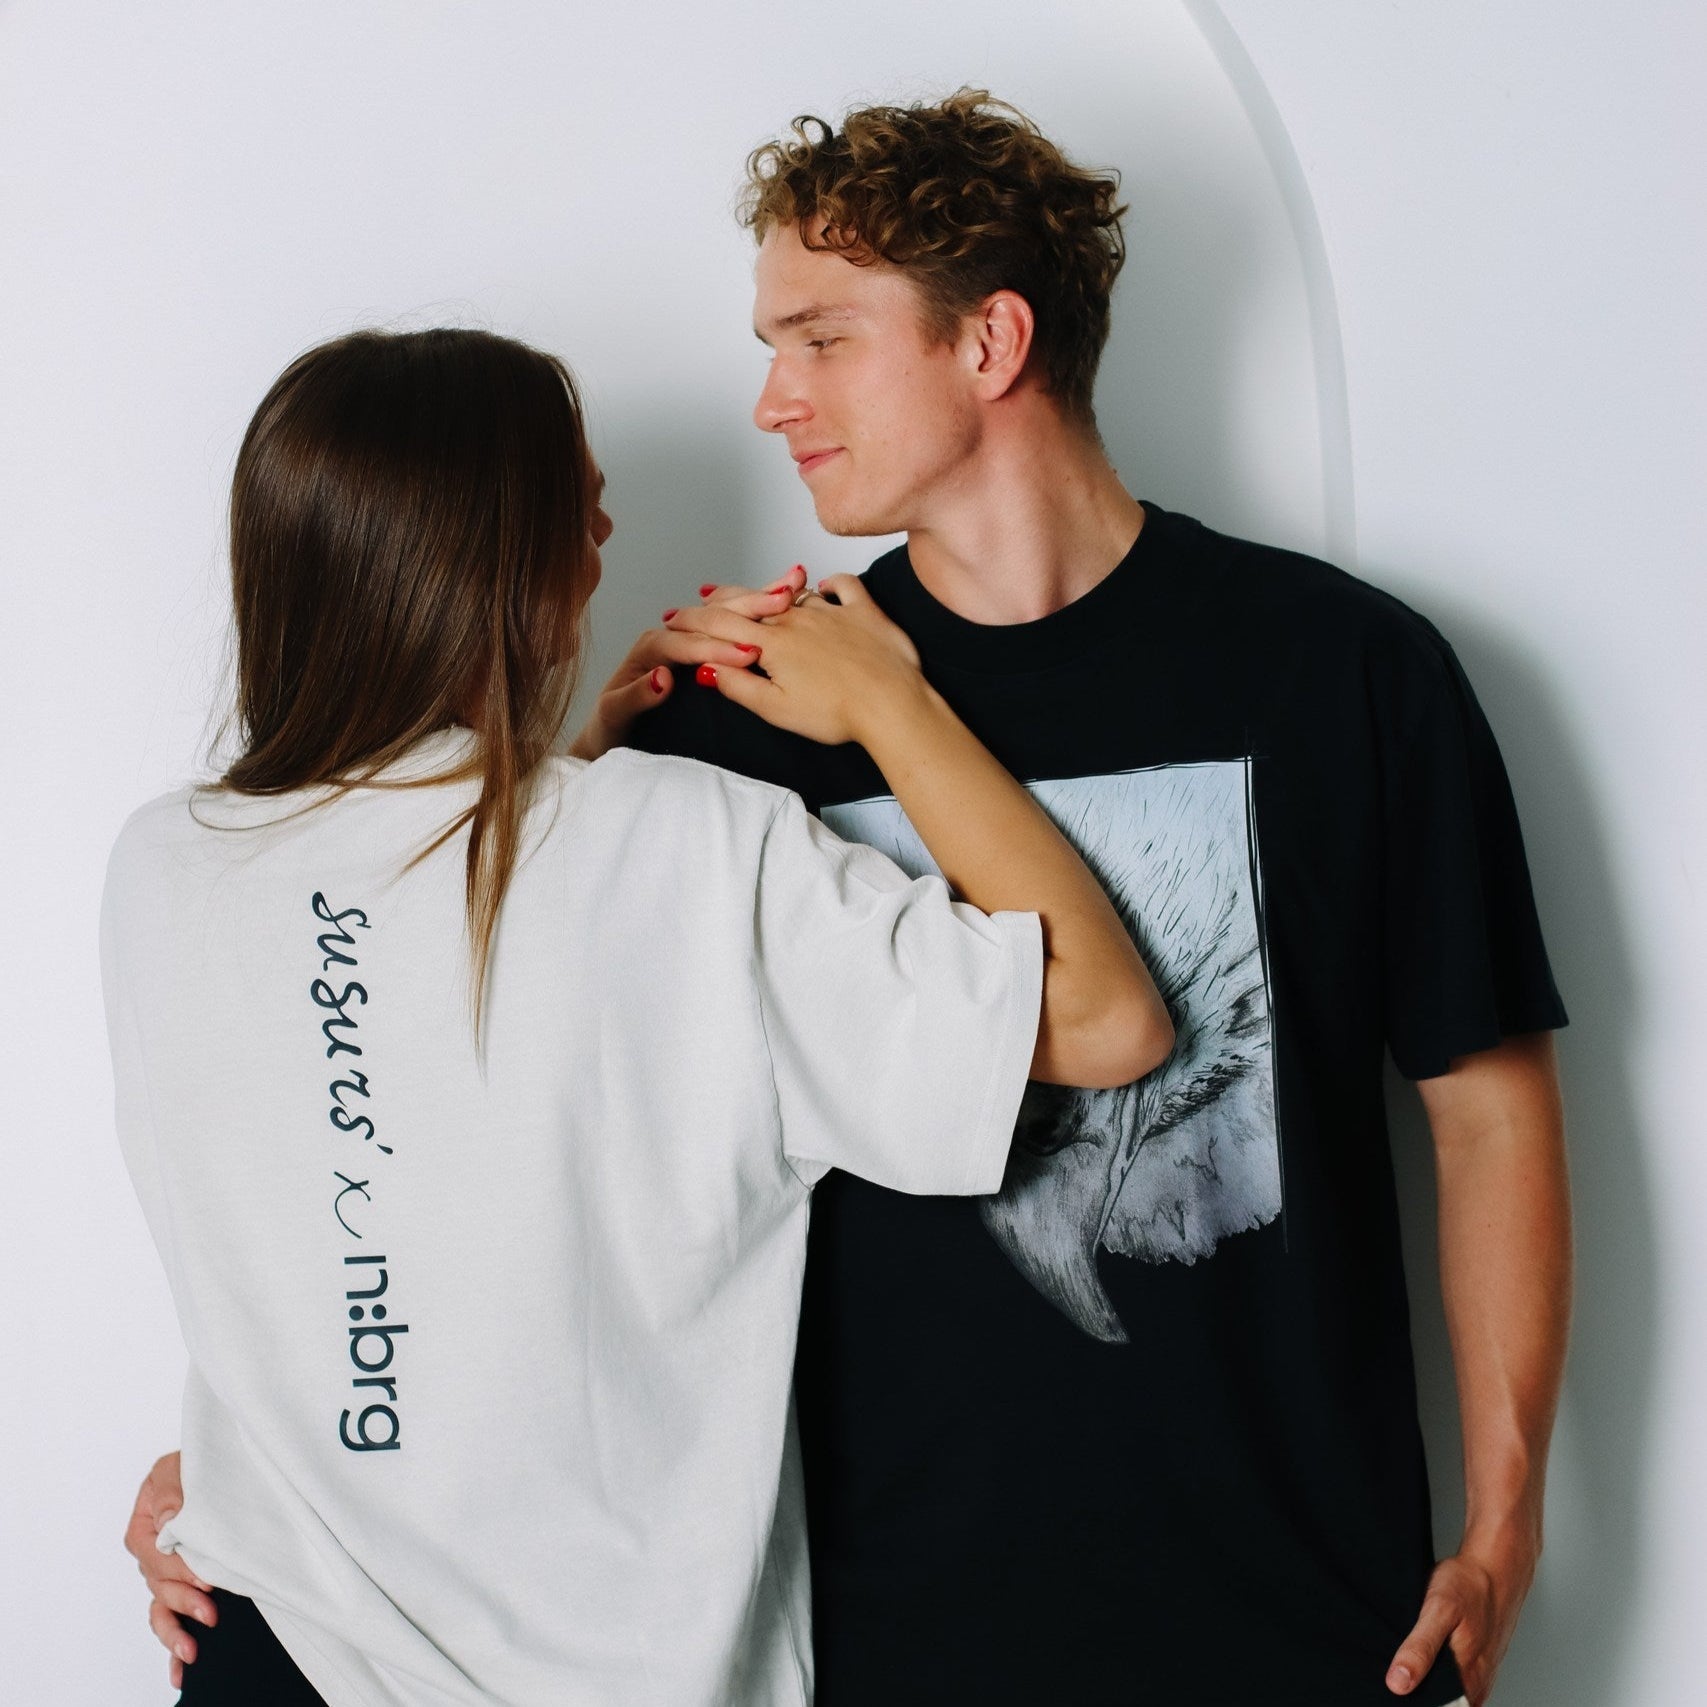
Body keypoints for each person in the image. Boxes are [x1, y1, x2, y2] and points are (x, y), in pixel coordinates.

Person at [135, 90, 1573, 1706]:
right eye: (769, 344)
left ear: (992, 343)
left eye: (820, 338)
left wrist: (1509, 1522)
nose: (772, 399)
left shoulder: (1351, 672)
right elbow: (480, 1144)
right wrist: (261, 1484)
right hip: (888, 1643)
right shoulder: (715, 731)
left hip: (1310, 1626)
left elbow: (1486, 1106)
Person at [105, 324, 1174, 1705]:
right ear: (509, 558)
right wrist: (892, 704)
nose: (608, 540)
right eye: (584, 506)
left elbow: (417, 1124)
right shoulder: (687, 845)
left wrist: (568, 774)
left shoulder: (165, 865)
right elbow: (1105, 1021)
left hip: (268, 1653)